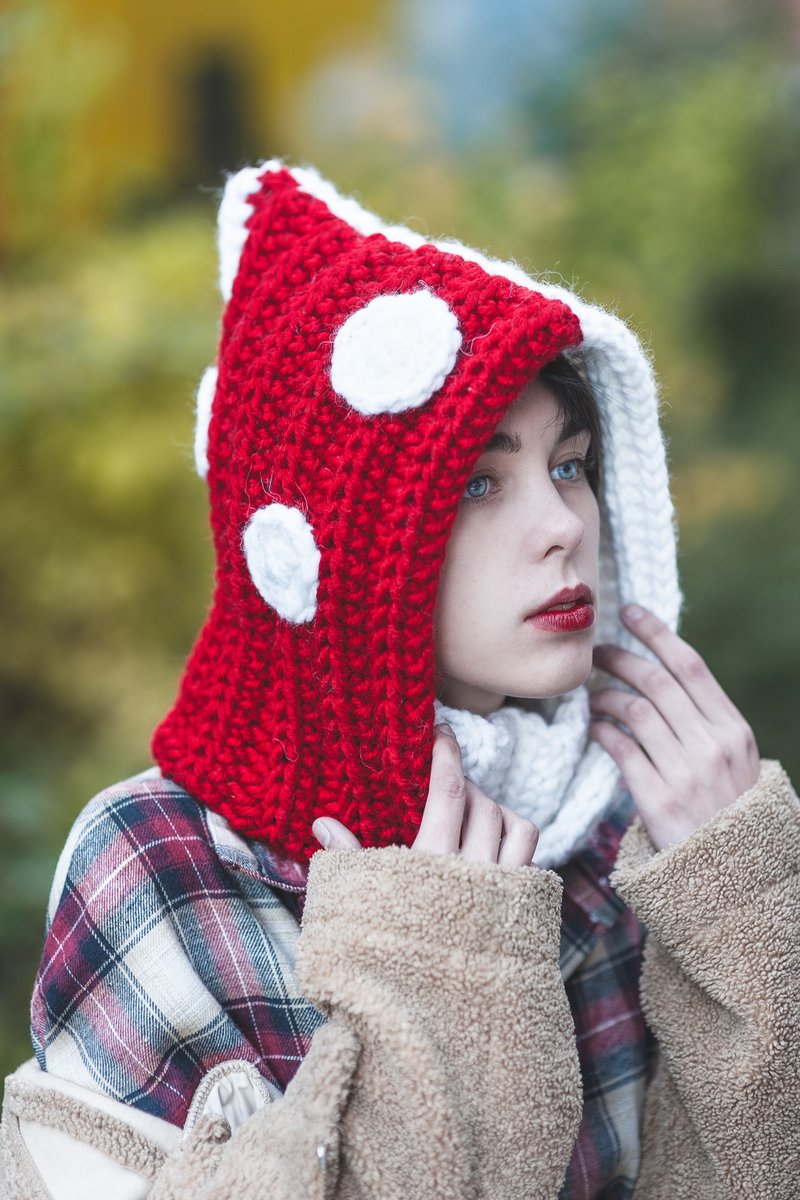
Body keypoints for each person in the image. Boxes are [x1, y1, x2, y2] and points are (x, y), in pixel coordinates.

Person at [2, 161, 798, 1200]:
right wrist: (438, 973)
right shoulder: (163, 866)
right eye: (477, 481)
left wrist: (739, 906)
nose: (563, 526)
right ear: (345, 540)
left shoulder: (618, 833)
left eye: (570, 463)